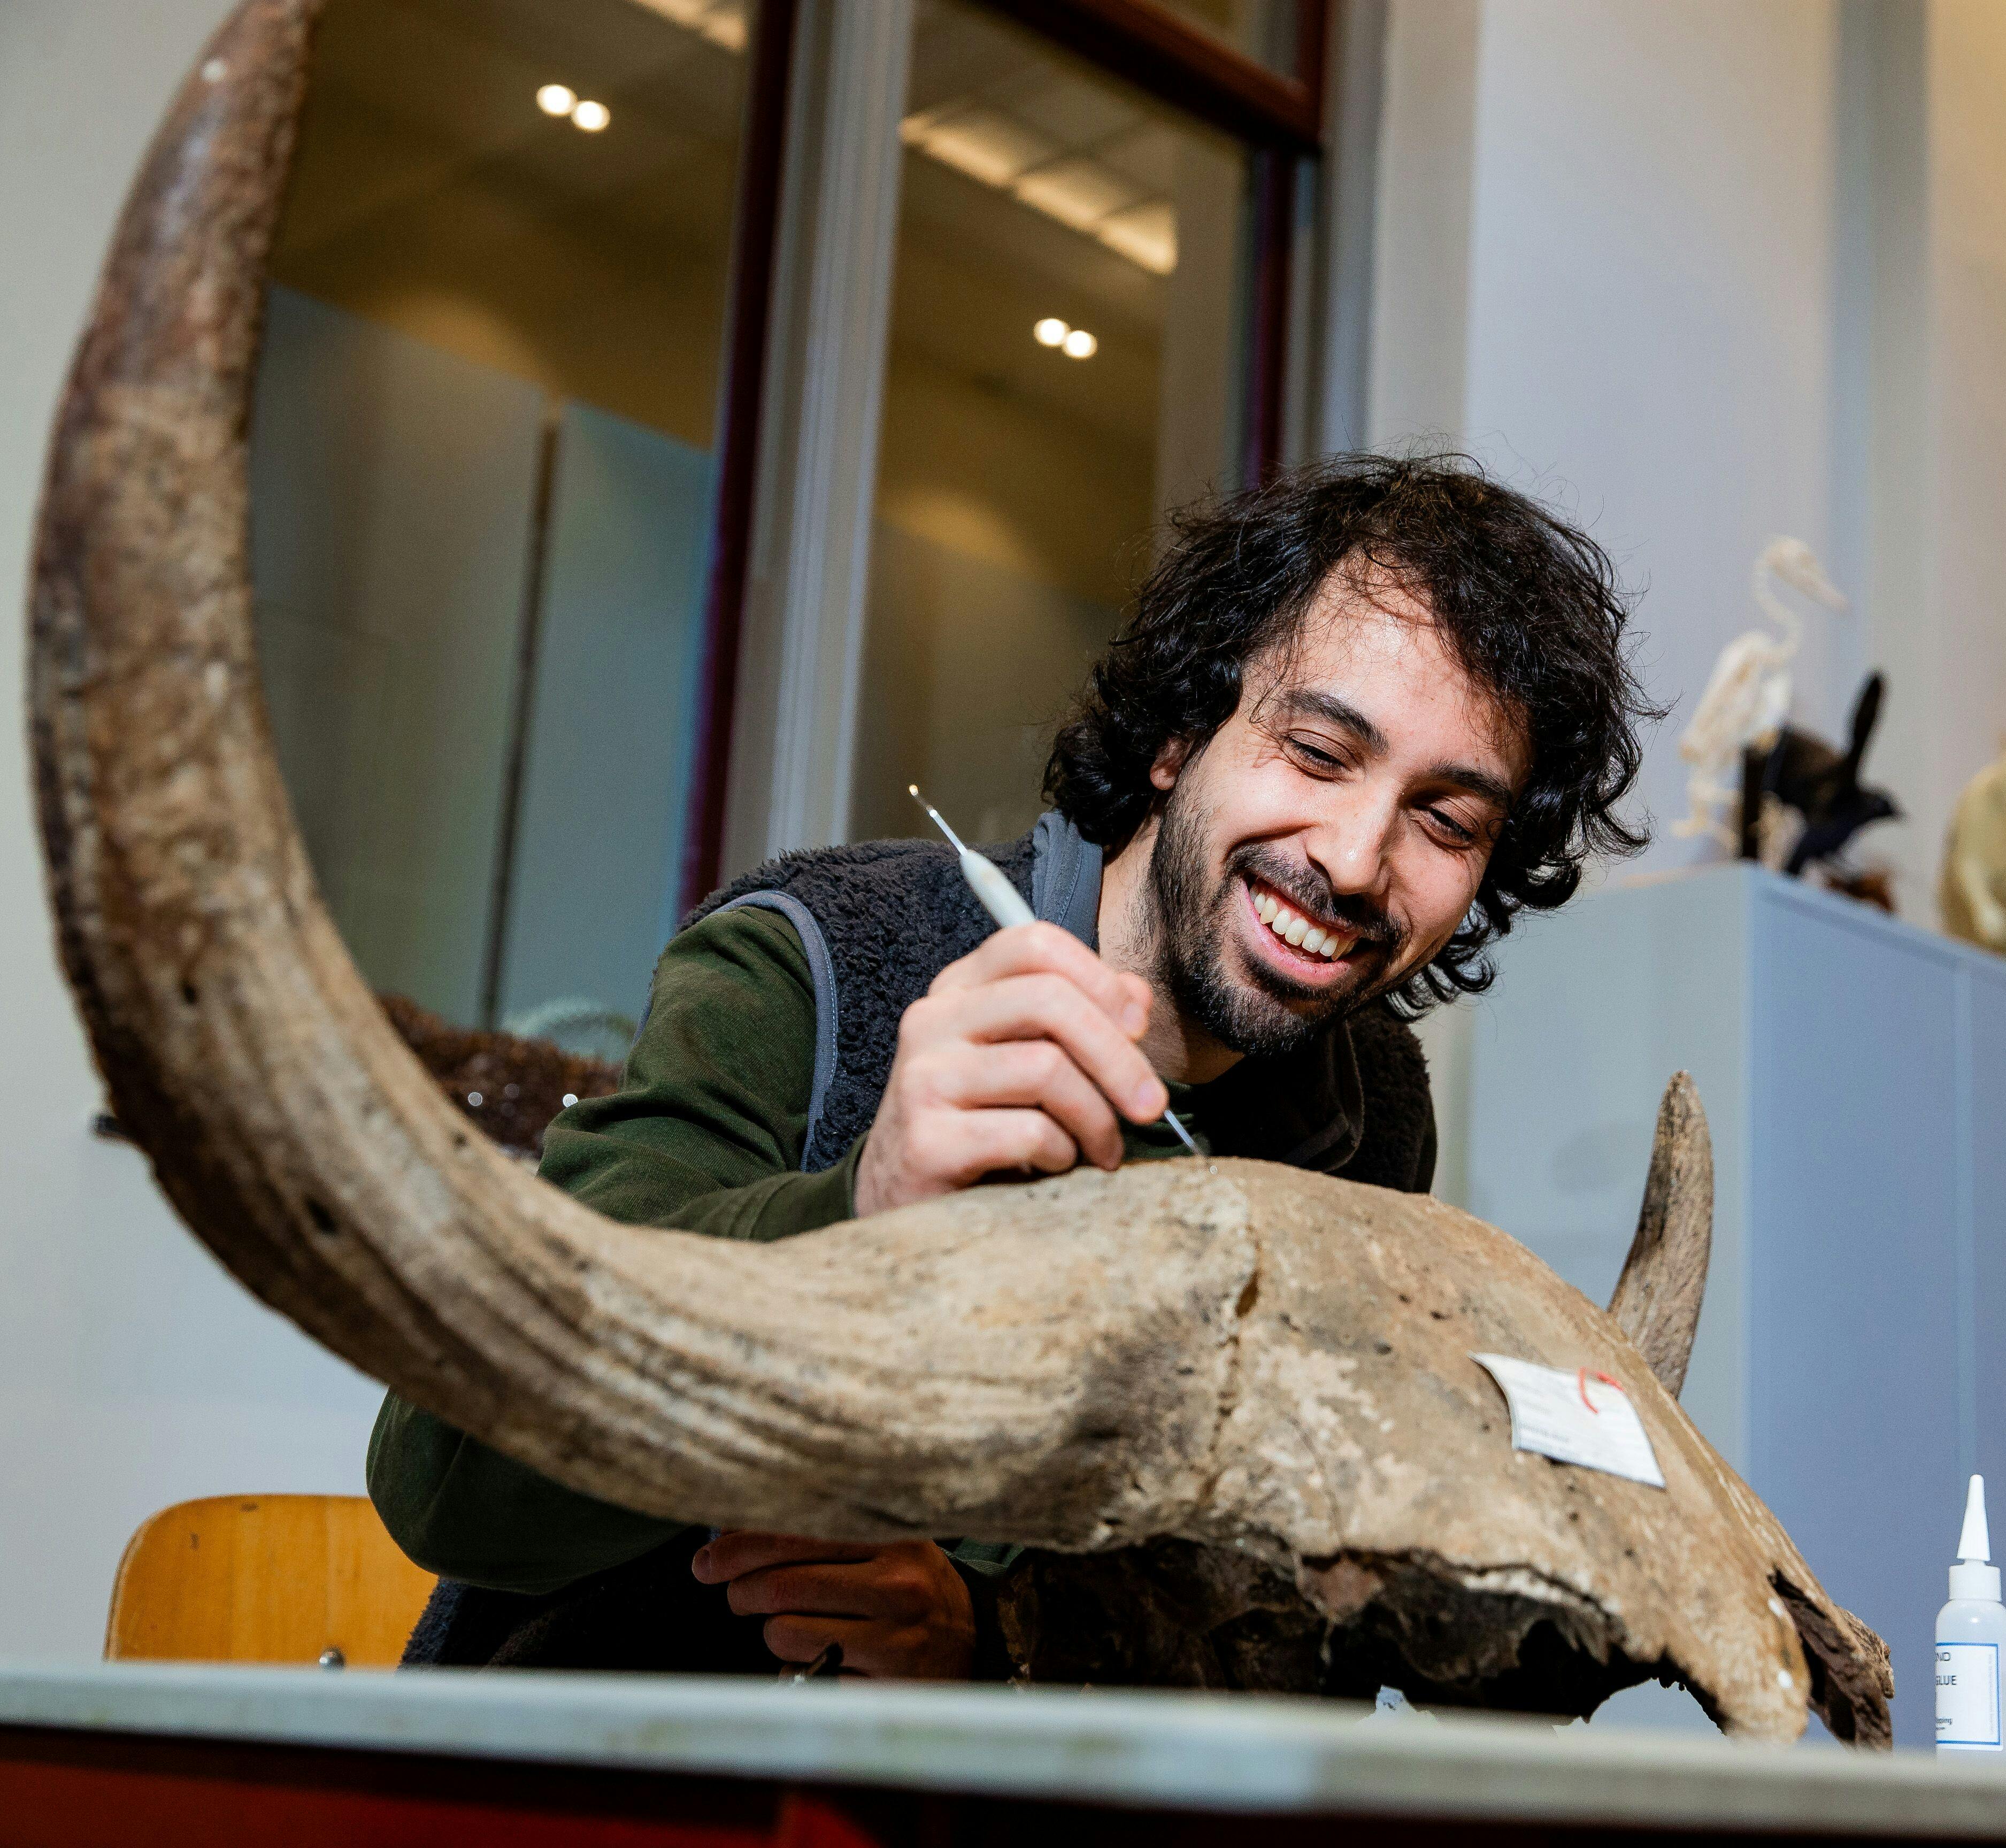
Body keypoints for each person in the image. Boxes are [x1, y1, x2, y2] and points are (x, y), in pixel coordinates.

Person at [371, 453, 1657, 1677]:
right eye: (1318, 753)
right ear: (1176, 740)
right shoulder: (811, 965)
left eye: (1447, 820)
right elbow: (446, 1475)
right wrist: (859, 1219)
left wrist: (991, 1638)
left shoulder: (1365, 1122)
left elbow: (1271, 1611)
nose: (1358, 855)